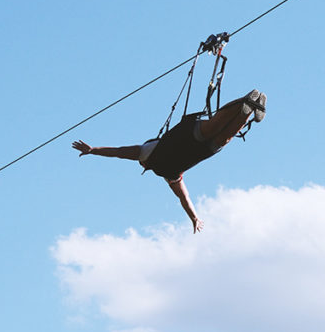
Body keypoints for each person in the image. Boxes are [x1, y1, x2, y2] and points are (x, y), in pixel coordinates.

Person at [72, 89, 266, 233]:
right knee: (224, 136)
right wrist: (194, 217)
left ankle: (246, 101)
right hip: (200, 148)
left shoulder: (145, 153)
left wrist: (93, 150)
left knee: (217, 128)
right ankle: (247, 109)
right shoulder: (170, 175)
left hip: (189, 138)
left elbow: (119, 152)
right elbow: (184, 198)